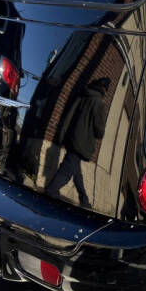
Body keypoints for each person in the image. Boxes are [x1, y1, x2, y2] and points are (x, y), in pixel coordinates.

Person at [45, 77, 110, 207]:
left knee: (76, 171)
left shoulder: (82, 96)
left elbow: (69, 116)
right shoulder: (99, 104)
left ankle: (84, 200)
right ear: (104, 89)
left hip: (71, 139)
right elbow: (99, 132)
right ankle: (51, 190)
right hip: (82, 144)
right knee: (67, 170)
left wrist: (63, 135)